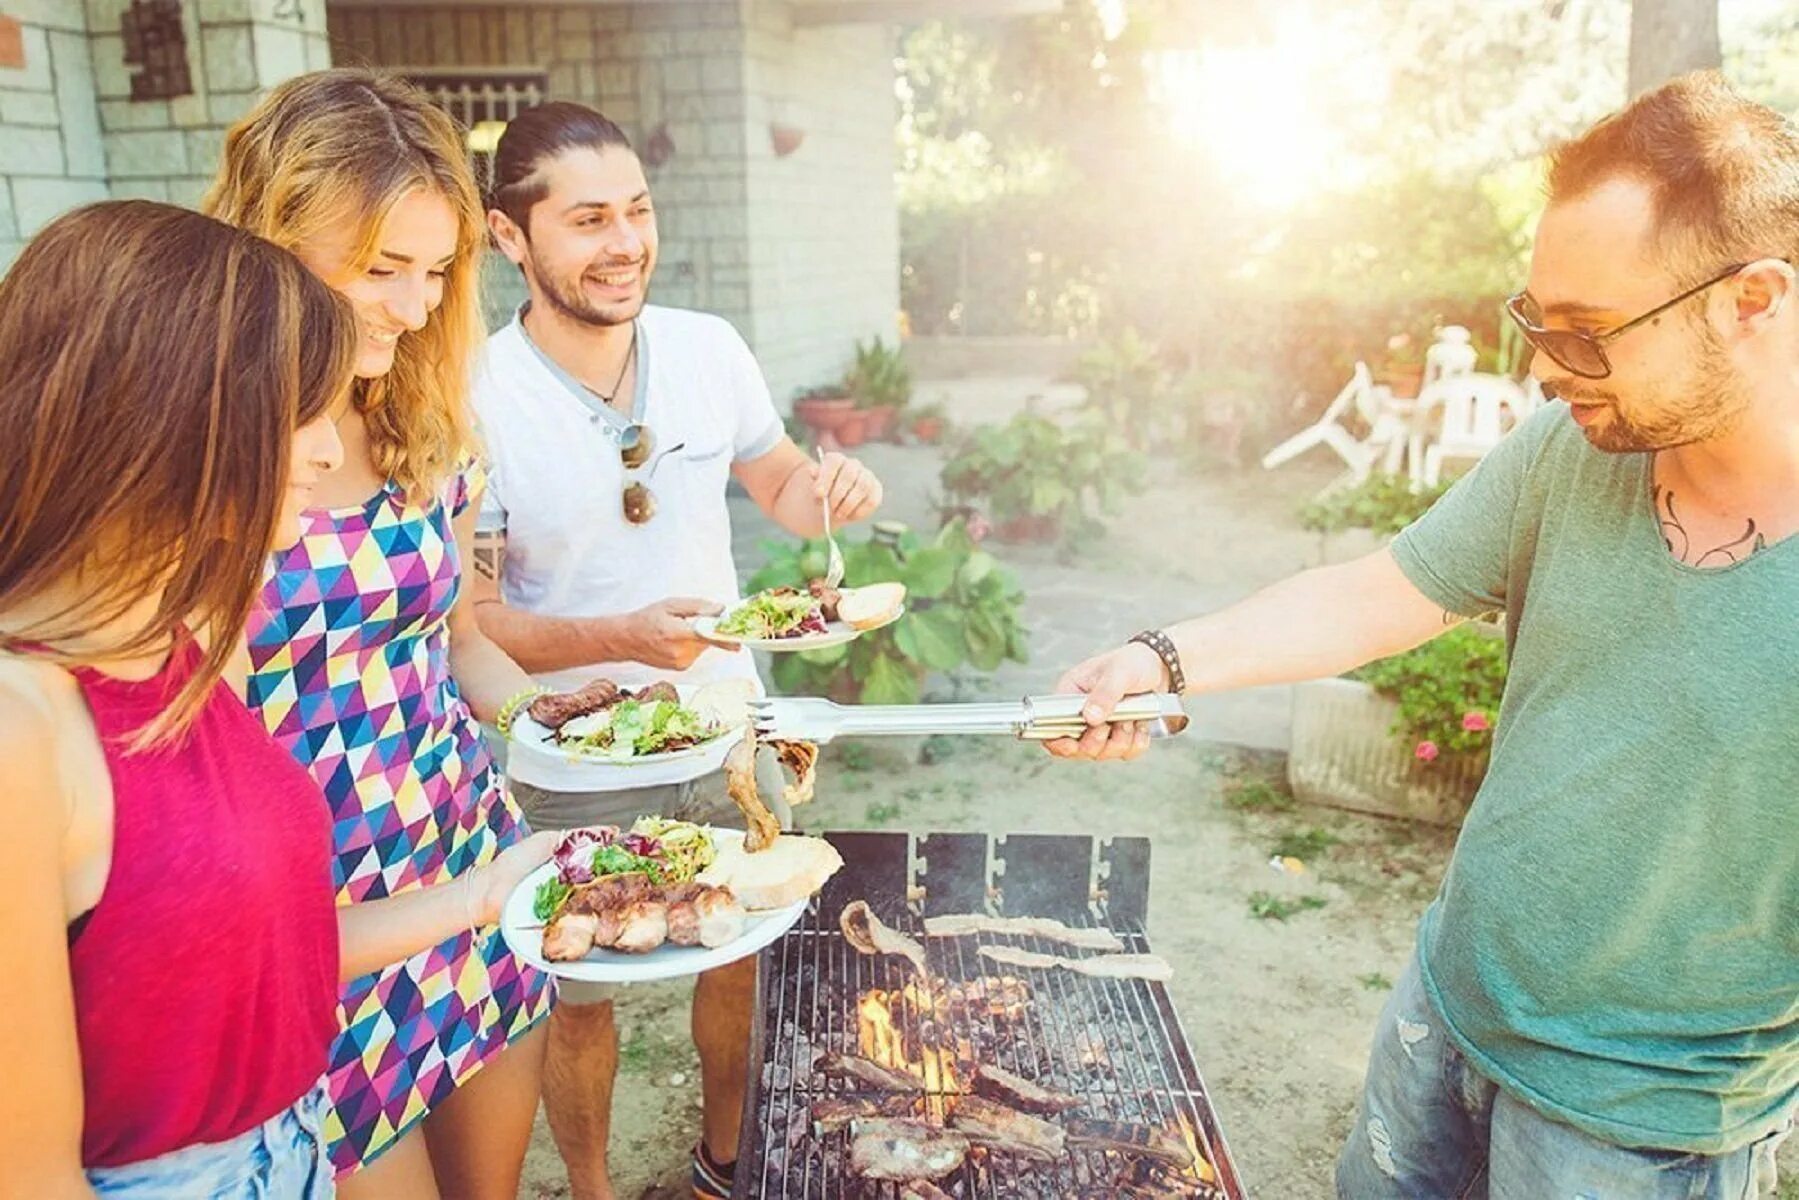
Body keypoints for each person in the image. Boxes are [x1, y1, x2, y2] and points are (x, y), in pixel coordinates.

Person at [1050, 72, 1797, 1198]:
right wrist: (1160, 661)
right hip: (1446, 1009)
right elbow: (1379, 593)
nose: (1546, 367)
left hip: (1640, 1124)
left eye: (1588, 334)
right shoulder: (1566, 451)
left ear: (1751, 301)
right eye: (1536, 321)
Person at [0, 199, 554, 1199]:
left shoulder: (179, 650)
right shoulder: (21, 731)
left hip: (293, 1139)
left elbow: (254, 943)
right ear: (169, 419)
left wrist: (484, 891)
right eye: (297, 410)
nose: (329, 448)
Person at [467, 102, 885, 1200]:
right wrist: (621, 635)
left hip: (724, 732)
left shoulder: (707, 348)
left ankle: (727, 1159)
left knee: (739, 949)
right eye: (588, 219)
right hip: (568, 756)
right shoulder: (474, 398)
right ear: (511, 236)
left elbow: (783, 487)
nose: (624, 244)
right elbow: (473, 617)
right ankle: (596, 1187)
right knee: (576, 989)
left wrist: (829, 485)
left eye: (637, 211)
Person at [202, 70, 555, 1198]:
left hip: (464, 859)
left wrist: (559, 725)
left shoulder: (419, 417)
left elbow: (448, 642)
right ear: (269, 240)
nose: (412, 305)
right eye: (377, 268)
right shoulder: (195, 449)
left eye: (436, 269)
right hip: (314, 924)